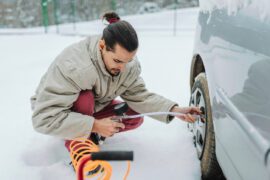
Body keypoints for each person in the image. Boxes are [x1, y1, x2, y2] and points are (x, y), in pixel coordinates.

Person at [30, 12, 201, 149]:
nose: (122, 68)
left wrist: (174, 109)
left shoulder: (126, 65)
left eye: (128, 61)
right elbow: (43, 118)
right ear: (102, 46)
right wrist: (94, 125)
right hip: (58, 110)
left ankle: (87, 130)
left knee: (134, 115)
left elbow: (139, 96)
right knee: (85, 97)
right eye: (118, 61)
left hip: (92, 108)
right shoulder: (75, 67)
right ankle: (80, 145)